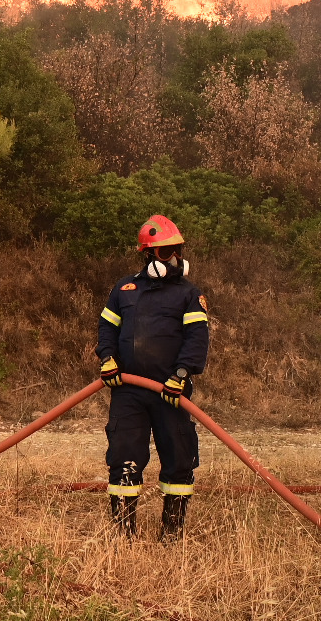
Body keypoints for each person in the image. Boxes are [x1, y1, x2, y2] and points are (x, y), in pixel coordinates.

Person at [96, 214, 211, 540]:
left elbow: (197, 339)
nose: (173, 258)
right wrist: (106, 358)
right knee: (124, 458)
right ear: (148, 255)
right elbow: (107, 328)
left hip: (171, 391)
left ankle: (172, 533)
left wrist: (182, 373)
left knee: (179, 459)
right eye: (164, 252)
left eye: (176, 250)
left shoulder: (189, 295)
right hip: (127, 390)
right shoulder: (124, 289)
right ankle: (123, 535)